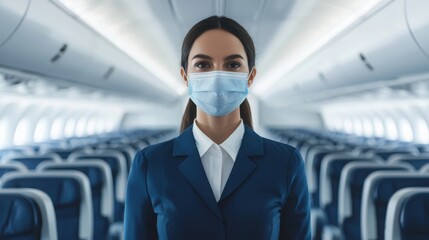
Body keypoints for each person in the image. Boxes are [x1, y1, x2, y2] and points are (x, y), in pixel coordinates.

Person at [124, 16, 311, 240]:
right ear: (185, 76)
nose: (217, 76)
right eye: (203, 65)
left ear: (250, 77)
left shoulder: (286, 163)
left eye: (232, 65)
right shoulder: (150, 165)